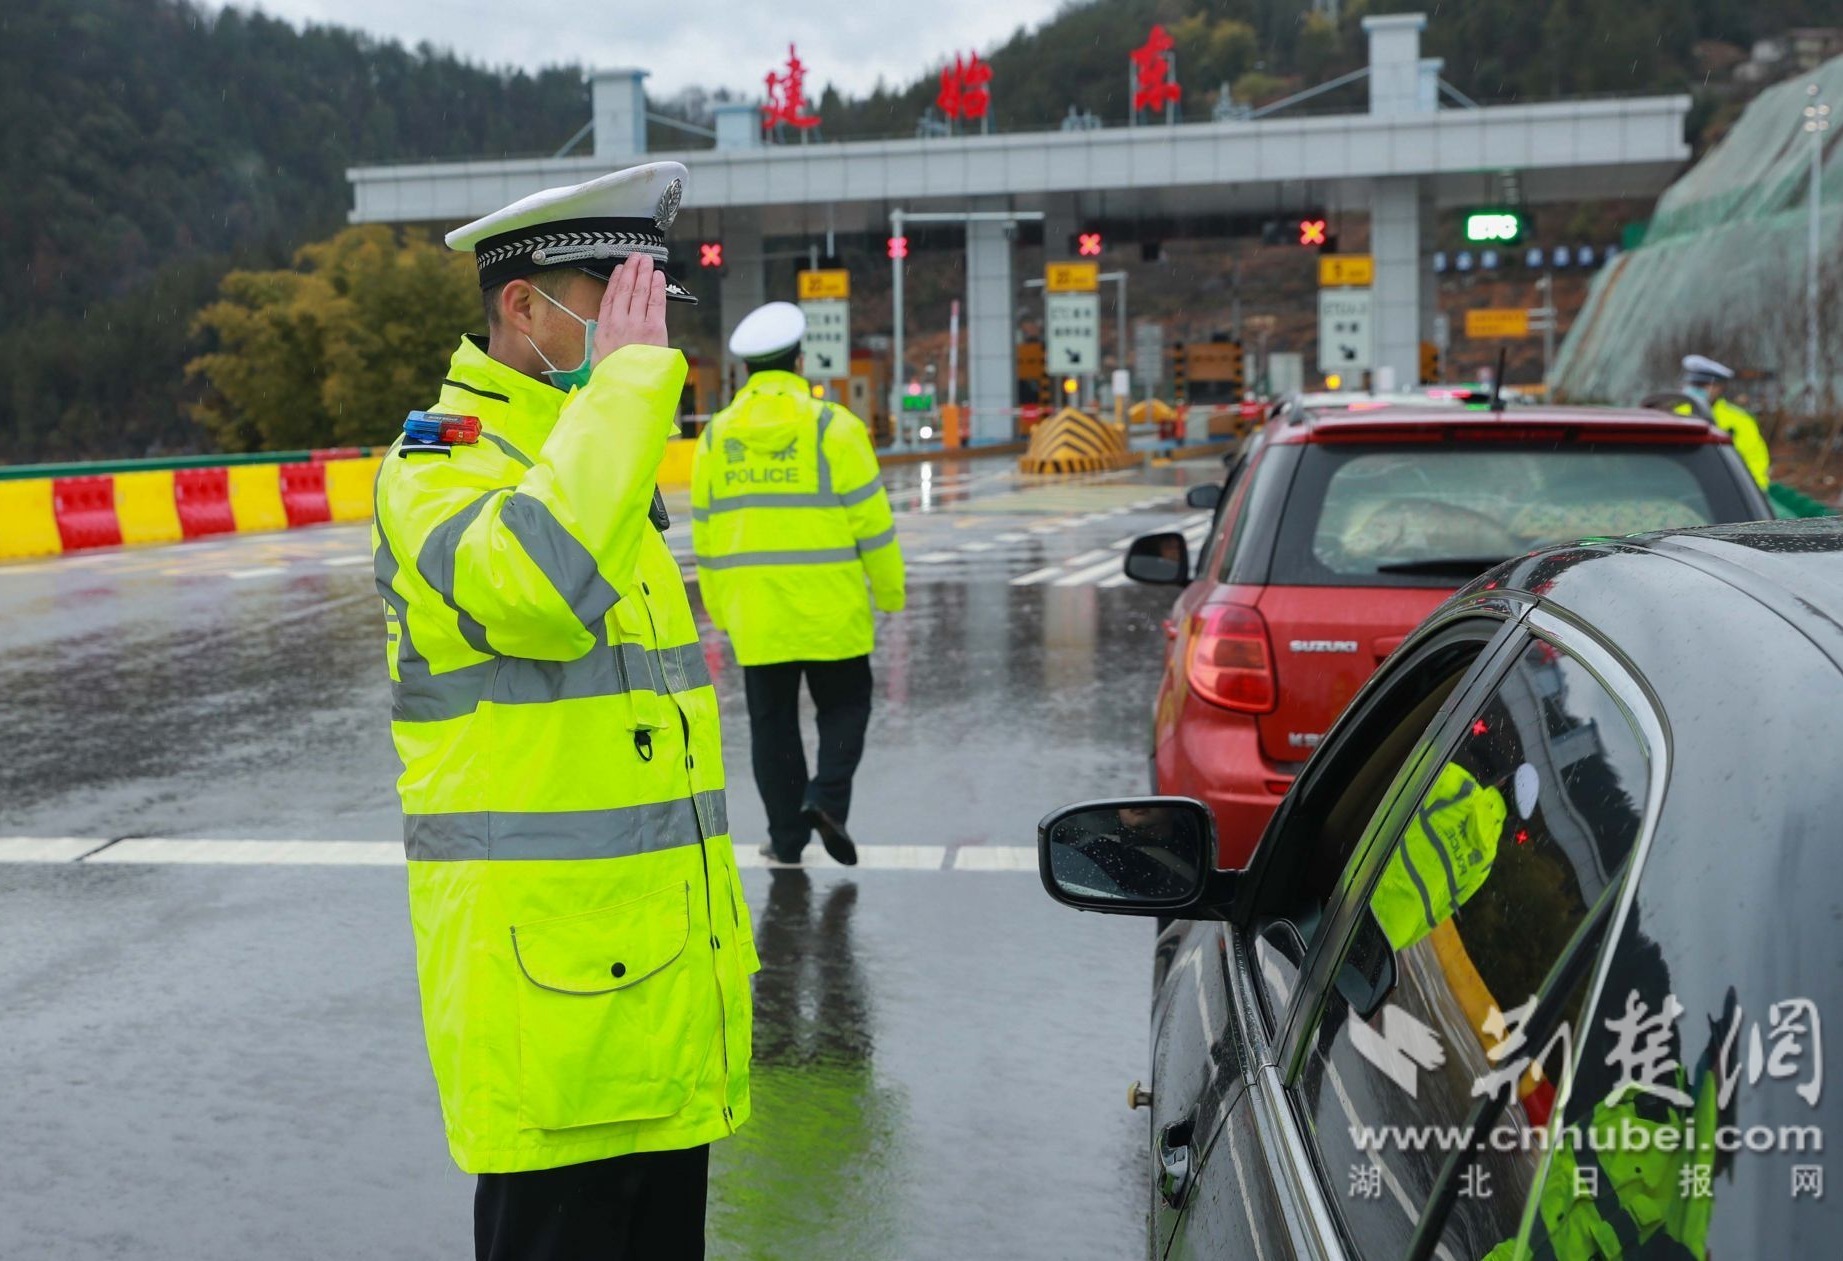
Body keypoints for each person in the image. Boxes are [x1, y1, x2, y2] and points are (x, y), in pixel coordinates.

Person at [371, 160, 758, 1261]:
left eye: (652, 301)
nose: (643, 328)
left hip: (659, 994)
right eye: (614, 298)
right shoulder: (436, 463)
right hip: (549, 1006)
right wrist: (626, 391)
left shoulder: (594, 452)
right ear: (522, 306)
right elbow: (533, 588)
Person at [691, 302, 905, 867]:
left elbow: (705, 534)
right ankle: (826, 798)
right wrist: (890, 593)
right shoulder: (835, 428)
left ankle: (786, 840)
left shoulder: (715, 437)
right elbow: (873, 523)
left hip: (756, 611)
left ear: (744, 371)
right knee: (846, 707)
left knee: (772, 727)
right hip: (831, 606)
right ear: (800, 363)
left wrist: (721, 609)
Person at [1678, 354, 1770, 490]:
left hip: (1726, 490)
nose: (1695, 389)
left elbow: (1755, 460)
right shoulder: (1675, 415)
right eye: (1693, 384)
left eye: (1702, 385)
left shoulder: (1740, 420)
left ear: (1719, 387)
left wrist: (1753, 492)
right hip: (1683, 490)